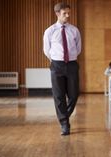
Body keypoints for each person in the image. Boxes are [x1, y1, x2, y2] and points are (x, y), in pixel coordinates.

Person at [43, 2, 81, 136]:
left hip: (71, 64)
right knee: (59, 96)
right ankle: (64, 123)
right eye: (65, 13)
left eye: (69, 13)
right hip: (57, 65)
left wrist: (70, 59)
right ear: (57, 13)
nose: (68, 15)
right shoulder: (50, 31)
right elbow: (47, 50)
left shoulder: (74, 30)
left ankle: (64, 115)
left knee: (74, 94)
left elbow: (78, 48)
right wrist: (56, 60)